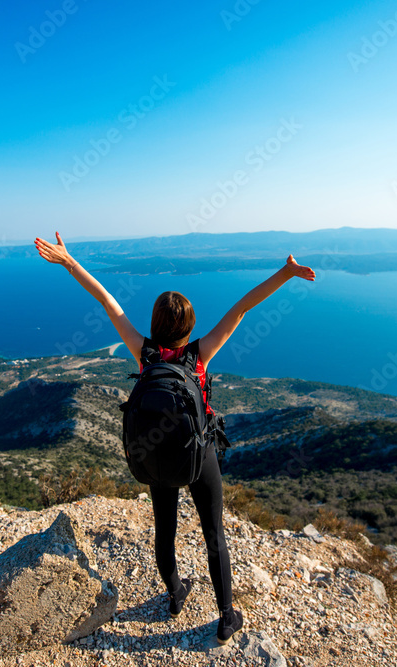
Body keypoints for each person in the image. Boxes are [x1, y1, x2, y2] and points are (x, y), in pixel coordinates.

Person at [34, 231, 315, 644]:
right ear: (189, 327)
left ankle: (176, 593)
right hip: (198, 457)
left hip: (156, 457)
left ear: (154, 324)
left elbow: (106, 302)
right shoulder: (197, 355)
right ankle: (225, 616)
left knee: (164, 533)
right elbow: (242, 308)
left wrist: (70, 262)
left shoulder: (143, 352)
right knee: (213, 533)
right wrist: (285, 273)